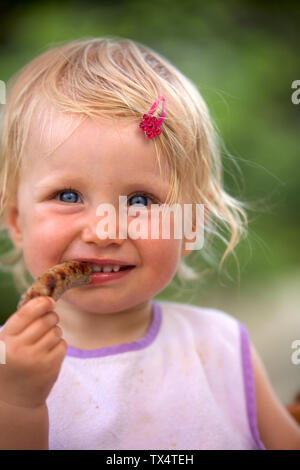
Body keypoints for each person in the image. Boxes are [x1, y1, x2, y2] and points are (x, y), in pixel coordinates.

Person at [0, 37, 299, 450]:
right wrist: (18, 402)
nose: (104, 231)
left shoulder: (222, 346)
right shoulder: (6, 364)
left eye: (141, 200)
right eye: (68, 196)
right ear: (17, 221)